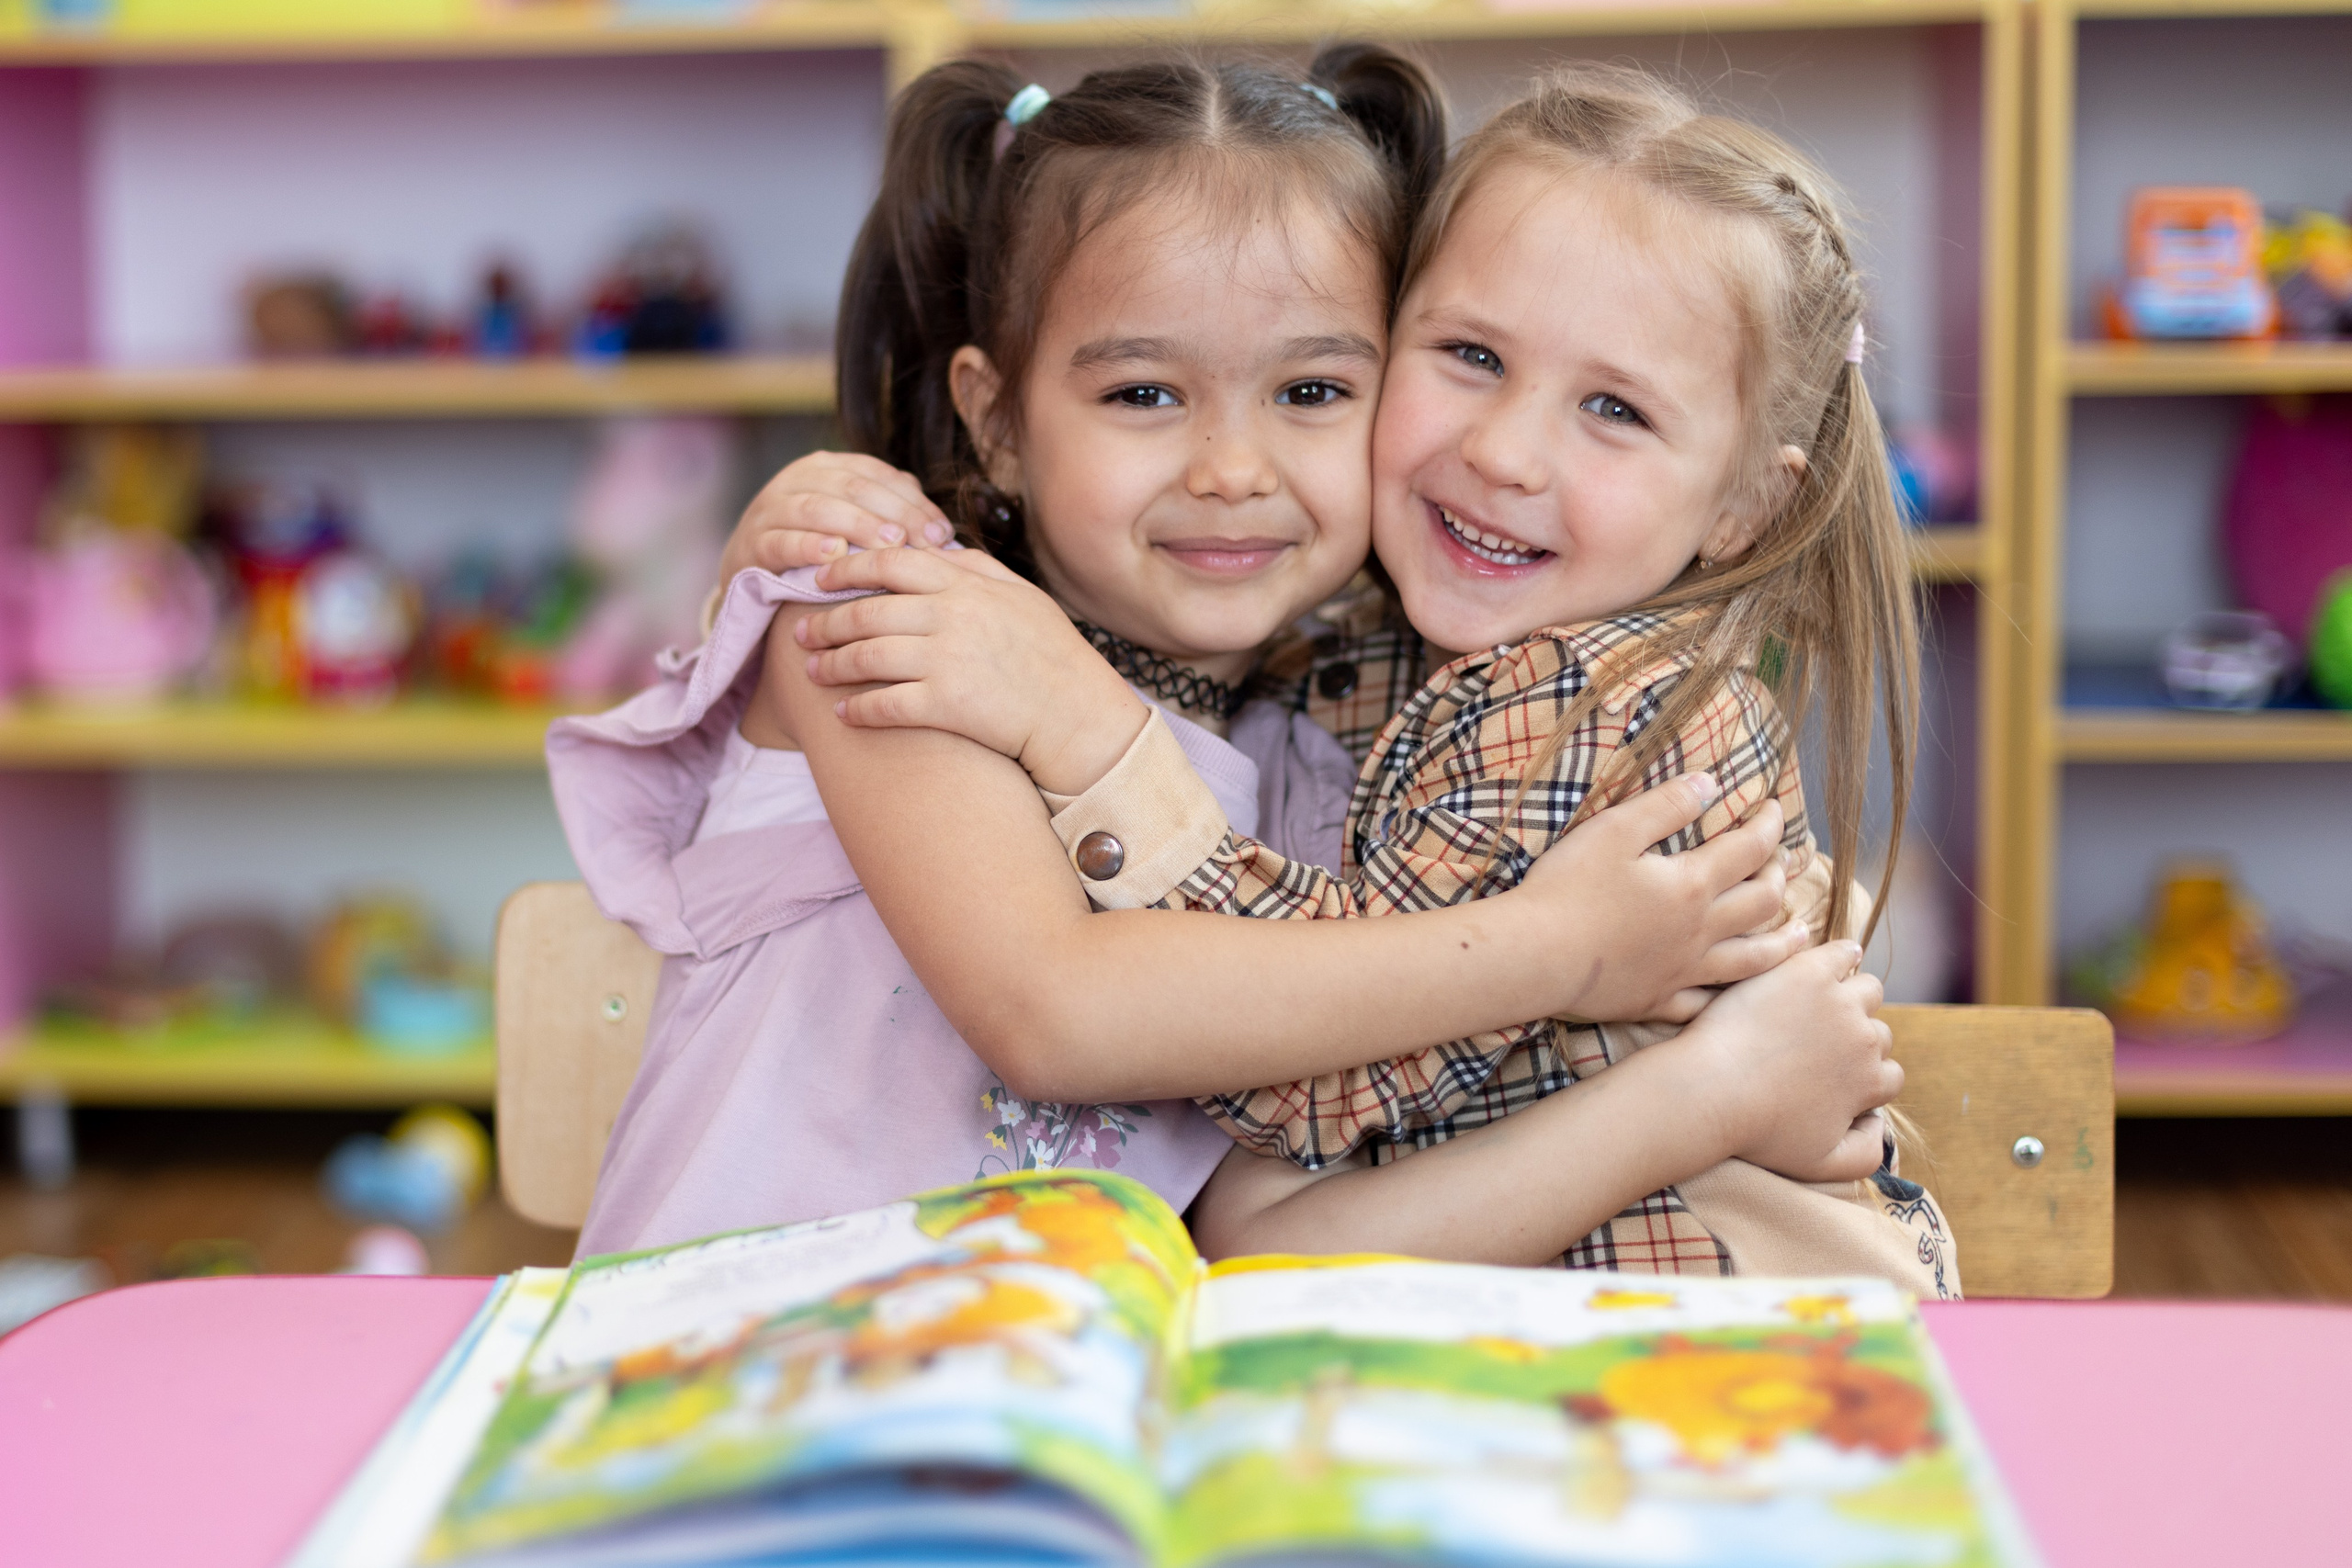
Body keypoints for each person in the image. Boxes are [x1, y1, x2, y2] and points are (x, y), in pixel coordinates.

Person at [551, 51, 1899, 1264]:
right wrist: (1560, 949)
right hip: (736, 1364)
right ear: (998, 420)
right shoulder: (899, 623)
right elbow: (1053, 1014)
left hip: (1072, 1409)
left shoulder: (1327, 723)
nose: (1234, 469)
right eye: (1144, 393)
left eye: (1313, 392)